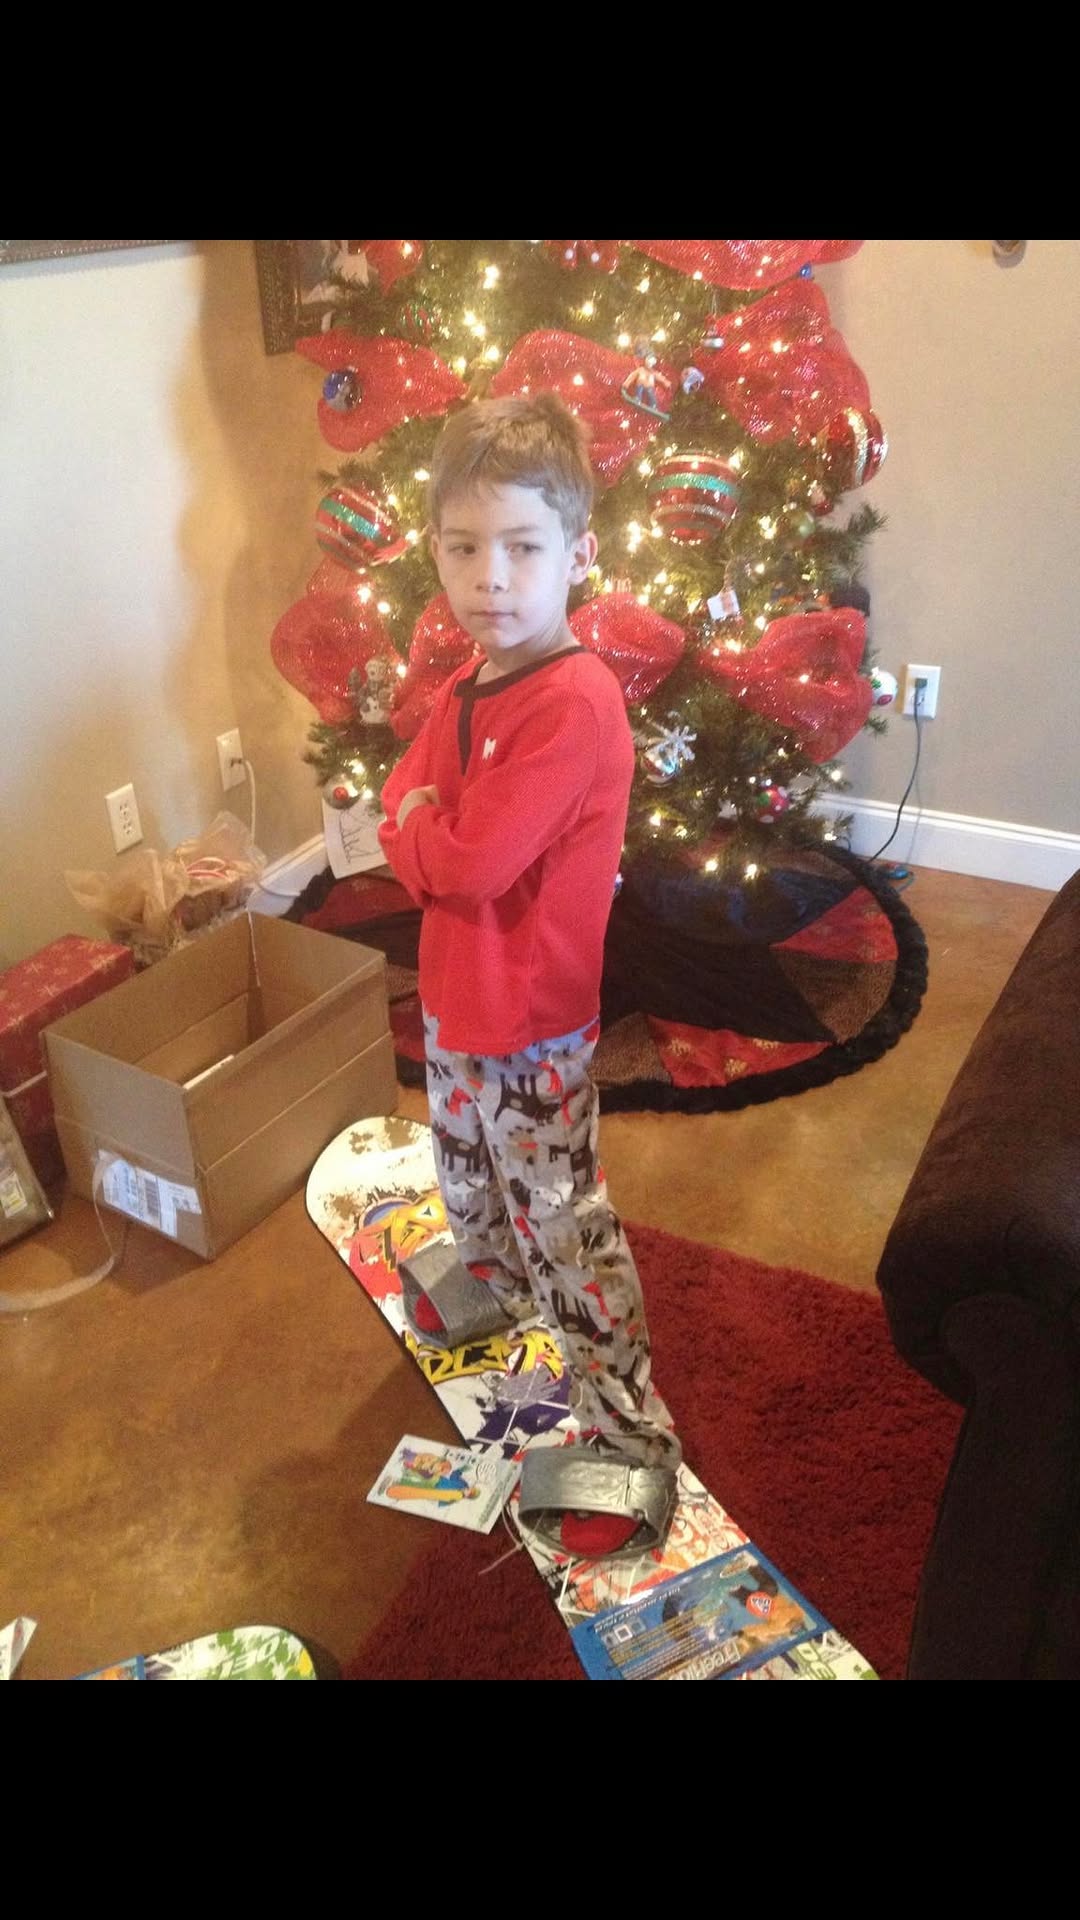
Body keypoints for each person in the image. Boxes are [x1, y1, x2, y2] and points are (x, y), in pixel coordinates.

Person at [378, 393, 681, 1561]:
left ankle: (632, 1432)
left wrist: (420, 828)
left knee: (565, 1223)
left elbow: (465, 860)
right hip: (456, 1006)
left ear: (578, 554)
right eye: (463, 548)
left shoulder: (574, 701)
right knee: (464, 1174)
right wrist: (425, 820)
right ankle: (491, 1290)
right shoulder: (472, 680)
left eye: (520, 547)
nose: (489, 578)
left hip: (532, 1024)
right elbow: (408, 795)